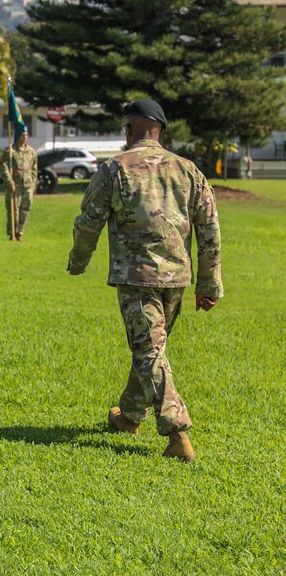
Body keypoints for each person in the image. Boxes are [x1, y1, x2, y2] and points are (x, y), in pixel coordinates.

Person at [68, 99, 222, 463]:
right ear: (160, 131)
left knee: (149, 350)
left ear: (128, 130)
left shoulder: (114, 169)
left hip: (136, 277)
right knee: (151, 346)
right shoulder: (188, 171)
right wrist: (208, 283)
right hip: (177, 279)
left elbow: (89, 220)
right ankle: (130, 416)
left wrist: (78, 261)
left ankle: (177, 432)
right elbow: (210, 228)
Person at [0, 129, 38, 241]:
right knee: (13, 210)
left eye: (26, 135)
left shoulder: (31, 152)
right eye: (22, 135)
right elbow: (3, 167)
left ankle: (20, 232)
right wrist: (9, 182)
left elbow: (34, 168)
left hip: (28, 186)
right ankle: (12, 233)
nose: (24, 137)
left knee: (26, 209)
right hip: (15, 185)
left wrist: (33, 182)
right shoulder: (10, 151)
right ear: (18, 136)